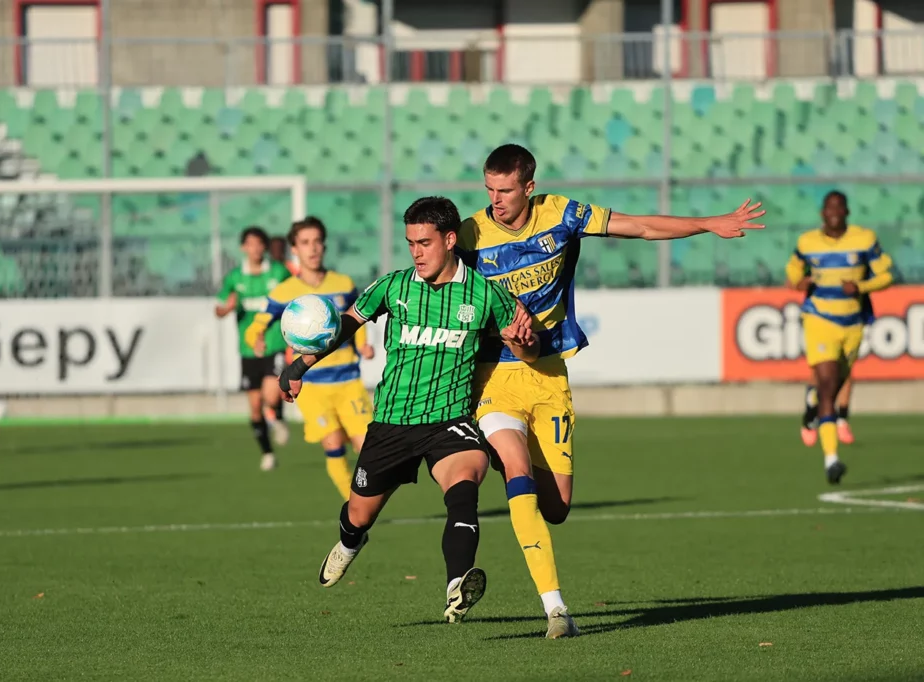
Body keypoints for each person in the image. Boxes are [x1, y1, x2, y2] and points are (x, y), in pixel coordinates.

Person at [457, 143, 765, 638]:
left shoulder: (563, 214)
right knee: (516, 467)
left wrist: (709, 222)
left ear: (529, 188)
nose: (495, 199)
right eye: (489, 189)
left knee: (555, 507)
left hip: (550, 373)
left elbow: (642, 226)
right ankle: (556, 610)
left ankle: (506, 458)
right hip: (494, 374)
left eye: (506, 190)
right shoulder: (470, 233)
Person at [279, 196, 537, 623]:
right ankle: (350, 541)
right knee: (358, 514)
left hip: (450, 421)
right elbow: (345, 325)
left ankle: (457, 586)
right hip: (392, 424)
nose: (415, 252)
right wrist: (300, 363)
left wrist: (525, 341)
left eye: (424, 242)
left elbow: (530, 345)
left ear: (450, 240)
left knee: (465, 487)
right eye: (410, 243)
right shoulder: (394, 286)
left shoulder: (486, 294)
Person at [246, 217, 375, 499]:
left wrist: (364, 345)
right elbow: (258, 323)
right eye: (305, 243)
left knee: (368, 449)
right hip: (312, 385)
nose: (313, 248)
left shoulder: (343, 284)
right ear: (295, 248)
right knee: (333, 444)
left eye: (317, 241)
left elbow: (358, 318)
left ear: (324, 246)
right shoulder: (285, 292)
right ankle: (353, 507)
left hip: (348, 380)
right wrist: (255, 336)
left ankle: (367, 500)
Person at [787, 190, 894, 483]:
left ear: (847, 212)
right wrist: (800, 281)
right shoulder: (807, 242)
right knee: (829, 381)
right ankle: (831, 459)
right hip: (820, 318)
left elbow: (886, 275)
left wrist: (860, 286)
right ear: (822, 213)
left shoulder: (865, 239)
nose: (834, 212)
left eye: (839, 207)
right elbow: (793, 271)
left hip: (853, 323)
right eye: (829, 208)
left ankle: (811, 403)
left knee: (832, 387)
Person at [215, 227, 291, 471]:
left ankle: (278, 417)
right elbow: (218, 308)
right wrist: (226, 309)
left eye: (260, 244)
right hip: (248, 349)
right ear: (243, 248)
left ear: (265, 247)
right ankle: (268, 453)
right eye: (250, 244)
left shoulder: (279, 272)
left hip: (274, 343)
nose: (255, 249)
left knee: (271, 395)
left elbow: (296, 296)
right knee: (255, 407)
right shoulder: (235, 278)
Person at [800, 292, 872, 447]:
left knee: (845, 368)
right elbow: (797, 279)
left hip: (850, 311)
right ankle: (811, 414)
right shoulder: (818, 268)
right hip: (821, 312)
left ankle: (842, 419)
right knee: (820, 368)